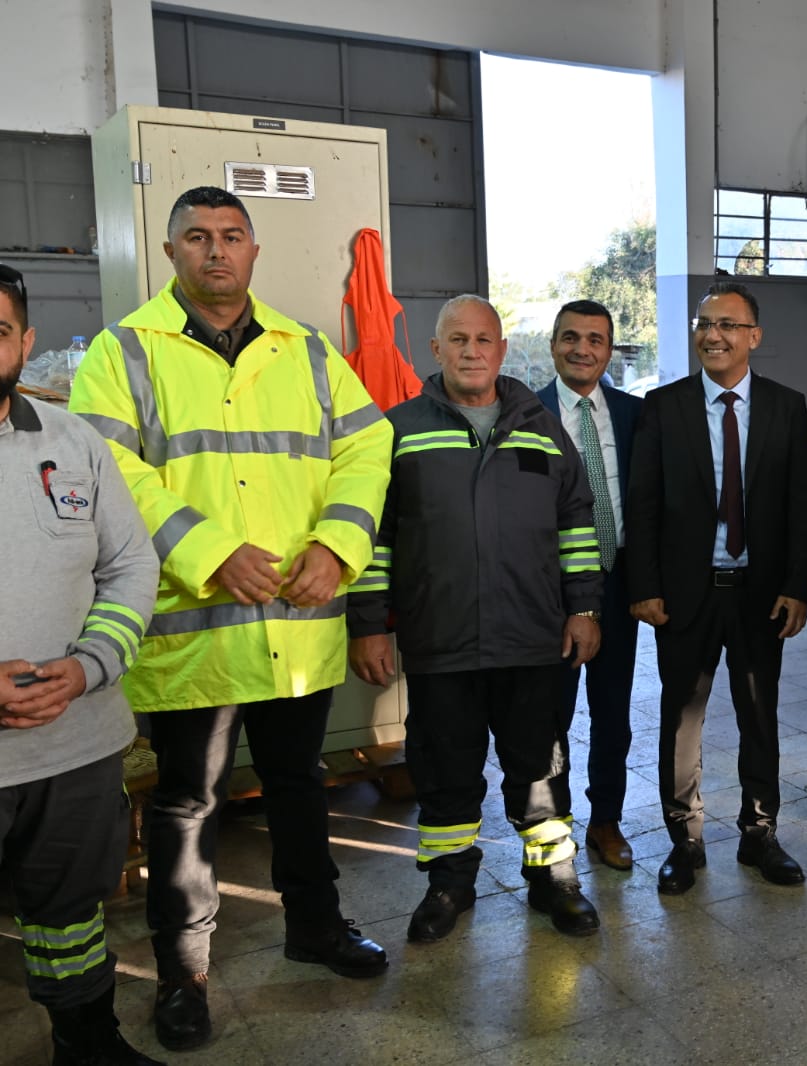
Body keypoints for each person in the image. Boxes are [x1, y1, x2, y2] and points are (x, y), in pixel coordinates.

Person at [68, 186, 394, 1052]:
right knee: (187, 804)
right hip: (195, 631)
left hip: (295, 624)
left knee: (299, 782)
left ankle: (315, 927)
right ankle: (184, 974)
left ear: (254, 250)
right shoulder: (124, 349)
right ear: (171, 252)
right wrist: (208, 549)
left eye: (233, 236)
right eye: (198, 237)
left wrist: (337, 544)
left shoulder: (306, 348)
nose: (217, 251)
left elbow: (367, 444)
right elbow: (108, 464)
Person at [348, 295, 604, 939]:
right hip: (442, 639)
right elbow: (375, 537)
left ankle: (553, 878)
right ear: (435, 349)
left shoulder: (542, 427)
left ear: (502, 349)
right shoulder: (397, 430)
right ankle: (449, 882)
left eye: (483, 340)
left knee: (540, 764)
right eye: (457, 340)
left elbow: (575, 522)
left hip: (532, 637)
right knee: (444, 766)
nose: (471, 351)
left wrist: (583, 607)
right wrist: (369, 623)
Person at [0, 265, 163, 1065]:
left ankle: (89, 1043)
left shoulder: (73, 444)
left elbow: (131, 565)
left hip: (75, 746)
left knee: (69, 915)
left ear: (24, 343)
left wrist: (91, 664)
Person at [627, 281, 807, 895]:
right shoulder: (664, 406)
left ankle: (760, 833)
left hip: (761, 594)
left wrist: (797, 584)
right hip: (686, 595)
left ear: (753, 336)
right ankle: (684, 839)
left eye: (728, 325)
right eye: (704, 324)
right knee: (681, 718)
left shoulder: (787, 406)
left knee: (760, 715)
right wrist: (645, 585)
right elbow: (643, 503)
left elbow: (803, 504)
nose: (713, 335)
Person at [534, 299, 643, 870]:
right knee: (550, 717)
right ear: (554, 345)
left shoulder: (635, 414)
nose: (582, 349)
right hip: (549, 591)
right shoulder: (525, 413)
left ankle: (606, 820)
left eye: (595, 339)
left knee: (612, 711)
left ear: (609, 349)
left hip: (618, 581)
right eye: (571, 337)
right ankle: (552, 828)